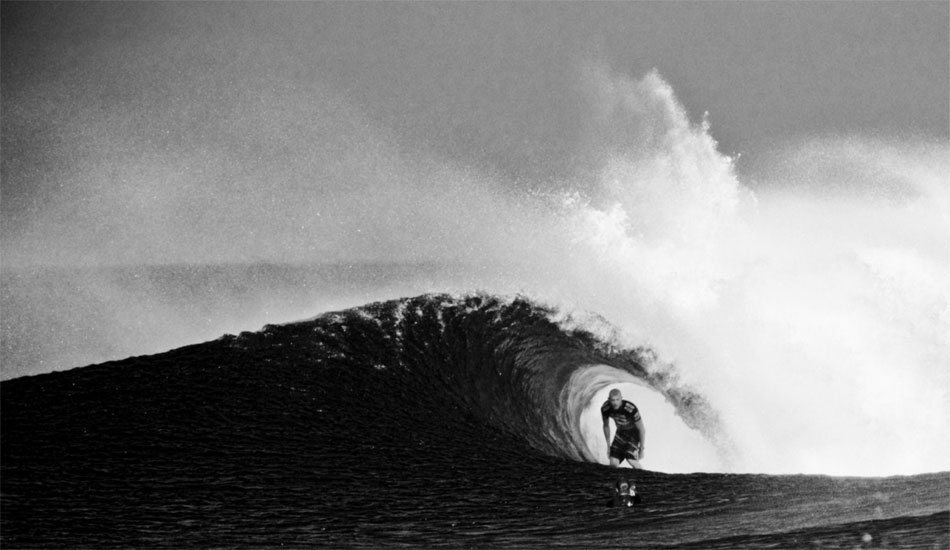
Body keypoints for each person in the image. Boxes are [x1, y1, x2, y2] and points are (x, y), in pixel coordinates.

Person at [601, 388, 646, 469]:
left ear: (621, 398)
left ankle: (643, 477)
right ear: (609, 400)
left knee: (631, 459)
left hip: (633, 434)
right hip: (620, 433)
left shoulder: (630, 408)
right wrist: (608, 446)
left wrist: (641, 449)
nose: (615, 403)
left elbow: (642, 429)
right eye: (612, 400)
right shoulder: (605, 408)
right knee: (613, 464)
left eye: (617, 400)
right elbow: (606, 426)